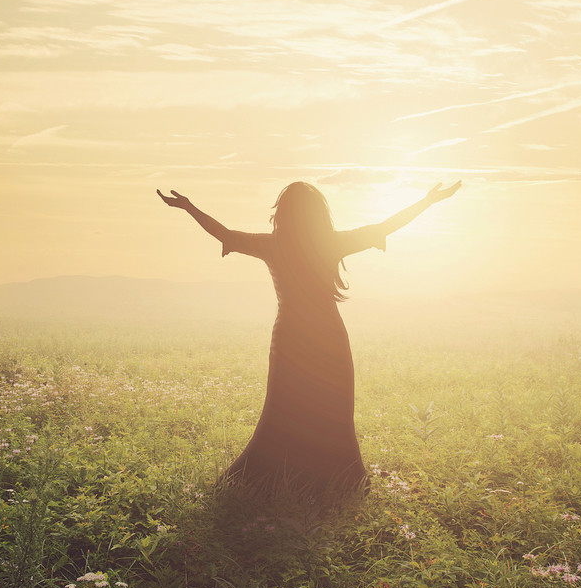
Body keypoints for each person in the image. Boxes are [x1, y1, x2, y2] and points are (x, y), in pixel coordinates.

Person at [158, 180, 460, 495]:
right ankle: (337, 482)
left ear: (282, 214)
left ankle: (278, 478)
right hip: (328, 336)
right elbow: (385, 226)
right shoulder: (329, 243)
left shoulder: (273, 245)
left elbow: (226, 234)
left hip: (289, 338)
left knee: (282, 411)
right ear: (319, 214)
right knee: (333, 411)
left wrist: (189, 207)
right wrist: (428, 201)